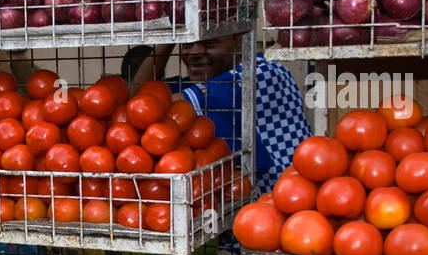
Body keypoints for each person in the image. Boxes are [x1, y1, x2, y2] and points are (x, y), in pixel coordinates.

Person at [129, 35, 309, 197]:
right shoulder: (198, 83)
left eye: (209, 43)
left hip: (290, 199)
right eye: (187, 44)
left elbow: (148, 108)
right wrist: (170, 39)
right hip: (251, 205)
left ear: (238, 41)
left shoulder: (264, 73)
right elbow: (137, 98)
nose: (195, 52)